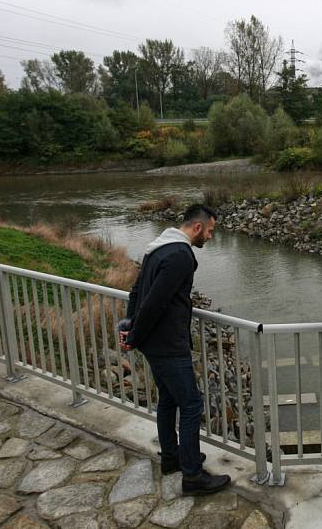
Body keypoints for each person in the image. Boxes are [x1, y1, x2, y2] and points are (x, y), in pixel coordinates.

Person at [120, 203, 231, 495]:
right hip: (168, 344)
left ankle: (172, 457)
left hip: (153, 343)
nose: (209, 237)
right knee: (192, 405)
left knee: (168, 399)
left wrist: (130, 326)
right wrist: (133, 336)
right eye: (209, 231)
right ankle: (193, 476)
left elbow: (136, 291)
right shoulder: (181, 255)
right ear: (197, 227)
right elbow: (155, 302)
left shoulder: (157, 247)